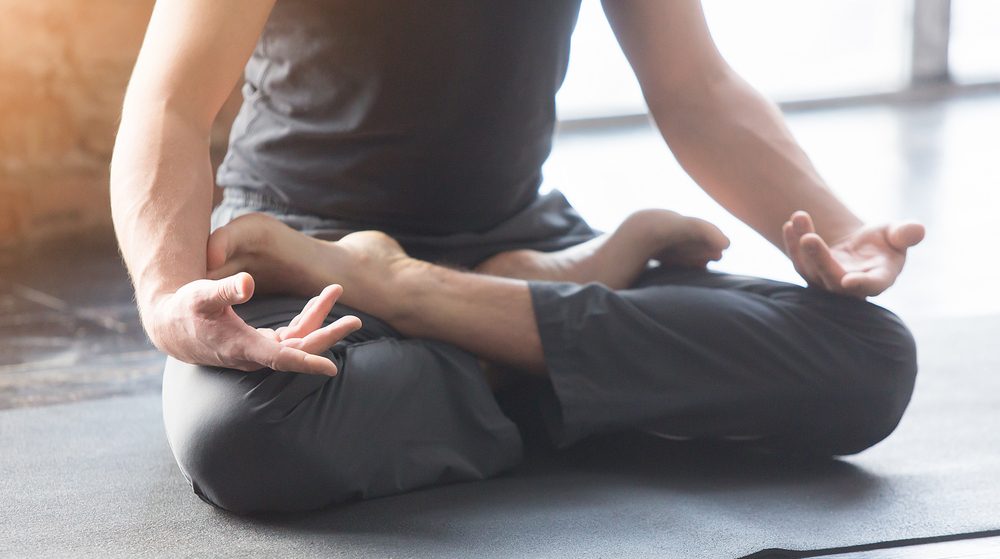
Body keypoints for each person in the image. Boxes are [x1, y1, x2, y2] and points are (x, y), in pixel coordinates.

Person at [110, 0, 924, 514]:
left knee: (869, 360)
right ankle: (524, 336)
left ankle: (413, 291)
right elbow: (171, 104)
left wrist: (843, 227)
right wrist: (166, 296)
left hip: (524, 239)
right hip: (300, 255)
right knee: (245, 435)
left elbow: (697, 86)